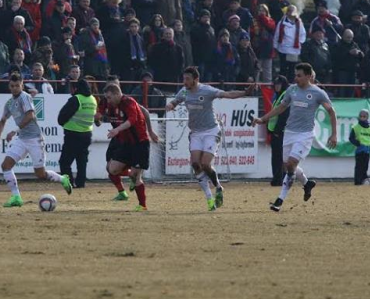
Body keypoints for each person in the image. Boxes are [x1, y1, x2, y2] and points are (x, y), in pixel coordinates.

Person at [166, 66, 255, 211]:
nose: (184, 82)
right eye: (184, 78)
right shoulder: (183, 91)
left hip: (211, 131)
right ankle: (209, 198)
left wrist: (245, 93)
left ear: (196, 80)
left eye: (187, 79)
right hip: (195, 132)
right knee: (195, 164)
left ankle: (218, 187)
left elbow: (228, 94)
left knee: (205, 164)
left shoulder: (207, 91)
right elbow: (176, 101)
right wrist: (171, 104)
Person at [256, 63, 337, 212]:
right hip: (289, 133)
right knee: (288, 165)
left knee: (291, 164)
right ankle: (306, 183)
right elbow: (281, 107)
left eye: (299, 75)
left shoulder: (318, 93)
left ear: (308, 76)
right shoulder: (291, 90)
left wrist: (334, 134)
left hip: (305, 135)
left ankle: (279, 200)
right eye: (295, 75)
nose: (296, 78)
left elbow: (331, 112)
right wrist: (264, 118)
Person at [0, 73, 72, 208]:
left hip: (35, 139)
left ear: (22, 85)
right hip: (22, 139)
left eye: (17, 86)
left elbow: (30, 115)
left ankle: (63, 178)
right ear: (9, 86)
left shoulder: (25, 97)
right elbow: (2, 121)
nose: (15, 88)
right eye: (12, 86)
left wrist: (14, 131)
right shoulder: (10, 103)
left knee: (40, 174)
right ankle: (16, 197)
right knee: (5, 165)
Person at [101, 83, 151, 211]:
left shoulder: (129, 102)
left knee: (136, 176)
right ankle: (131, 174)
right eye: (106, 98)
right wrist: (97, 118)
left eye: (109, 97)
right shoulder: (110, 104)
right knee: (112, 169)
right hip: (125, 144)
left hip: (140, 143)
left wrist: (117, 130)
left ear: (118, 94)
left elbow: (132, 120)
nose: (108, 100)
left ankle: (142, 205)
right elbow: (99, 114)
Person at [57, 78, 97, 188]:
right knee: (82, 160)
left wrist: (63, 123)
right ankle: (81, 183)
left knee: (64, 162)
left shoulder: (76, 99)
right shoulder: (93, 99)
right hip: (87, 134)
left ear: (76, 88)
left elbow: (62, 117)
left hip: (73, 134)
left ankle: (69, 182)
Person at [273, 5, 306, 81]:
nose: (291, 13)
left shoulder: (299, 23)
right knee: (283, 68)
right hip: (283, 49)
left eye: (293, 11)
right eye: (289, 11)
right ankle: (282, 84)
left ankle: (290, 84)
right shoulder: (281, 23)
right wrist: (275, 46)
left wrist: (299, 42)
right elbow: (277, 34)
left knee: (292, 69)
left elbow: (302, 34)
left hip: (294, 50)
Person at [267, 76, 290, 186]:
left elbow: (284, 115)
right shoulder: (277, 96)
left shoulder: (284, 96)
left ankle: (280, 178)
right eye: (275, 84)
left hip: (280, 131)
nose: (276, 86)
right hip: (275, 131)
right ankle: (277, 177)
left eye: (278, 84)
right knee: (276, 156)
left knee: (280, 156)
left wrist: (277, 130)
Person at [349, 109, 370, 185]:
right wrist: (357, 144)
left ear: (367, 117)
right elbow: (351, 138)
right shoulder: (355, 127)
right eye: (361, 116)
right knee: (359, 166)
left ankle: (364, 180)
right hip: (359, 150)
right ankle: (357, 181)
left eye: (364, 116)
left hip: (367, 150)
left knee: (365, 166)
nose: (362, 118)